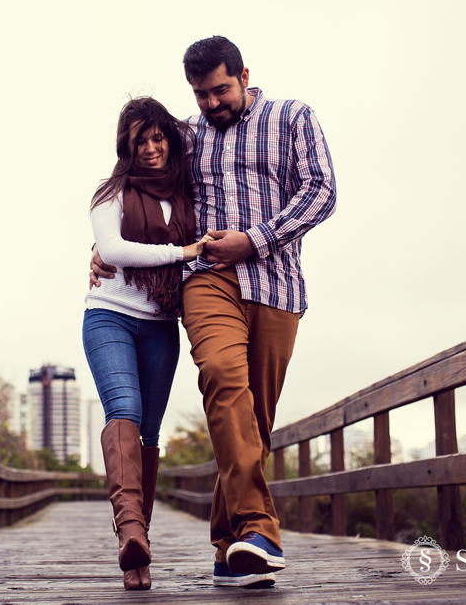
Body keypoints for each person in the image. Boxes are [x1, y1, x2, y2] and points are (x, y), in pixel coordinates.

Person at [91, 37, 337, 588]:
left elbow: (322, 192)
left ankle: (230, 548)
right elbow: (136, 182)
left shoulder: (292, 118)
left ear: (244, 75)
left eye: (221, 90)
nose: (211, 103)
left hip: (276, 283)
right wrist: (104, 246)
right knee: (223, 377)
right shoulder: (185, 135)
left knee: (255, 420)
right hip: (206, 280)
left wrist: (254, 239)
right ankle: (259, 529)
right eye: (201, 95)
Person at [83, 97, 213, 591]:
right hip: (109, 316)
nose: (152, 148)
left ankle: (139, 552)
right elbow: (113, 248)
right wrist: (182, 252)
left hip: (160, 323)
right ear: (127, 145)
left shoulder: (187, 194)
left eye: (159, 138)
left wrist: (187, 250)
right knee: (126, 410)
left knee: (151, 434)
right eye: (141, 140)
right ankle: (130, 531)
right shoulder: (110, 193)